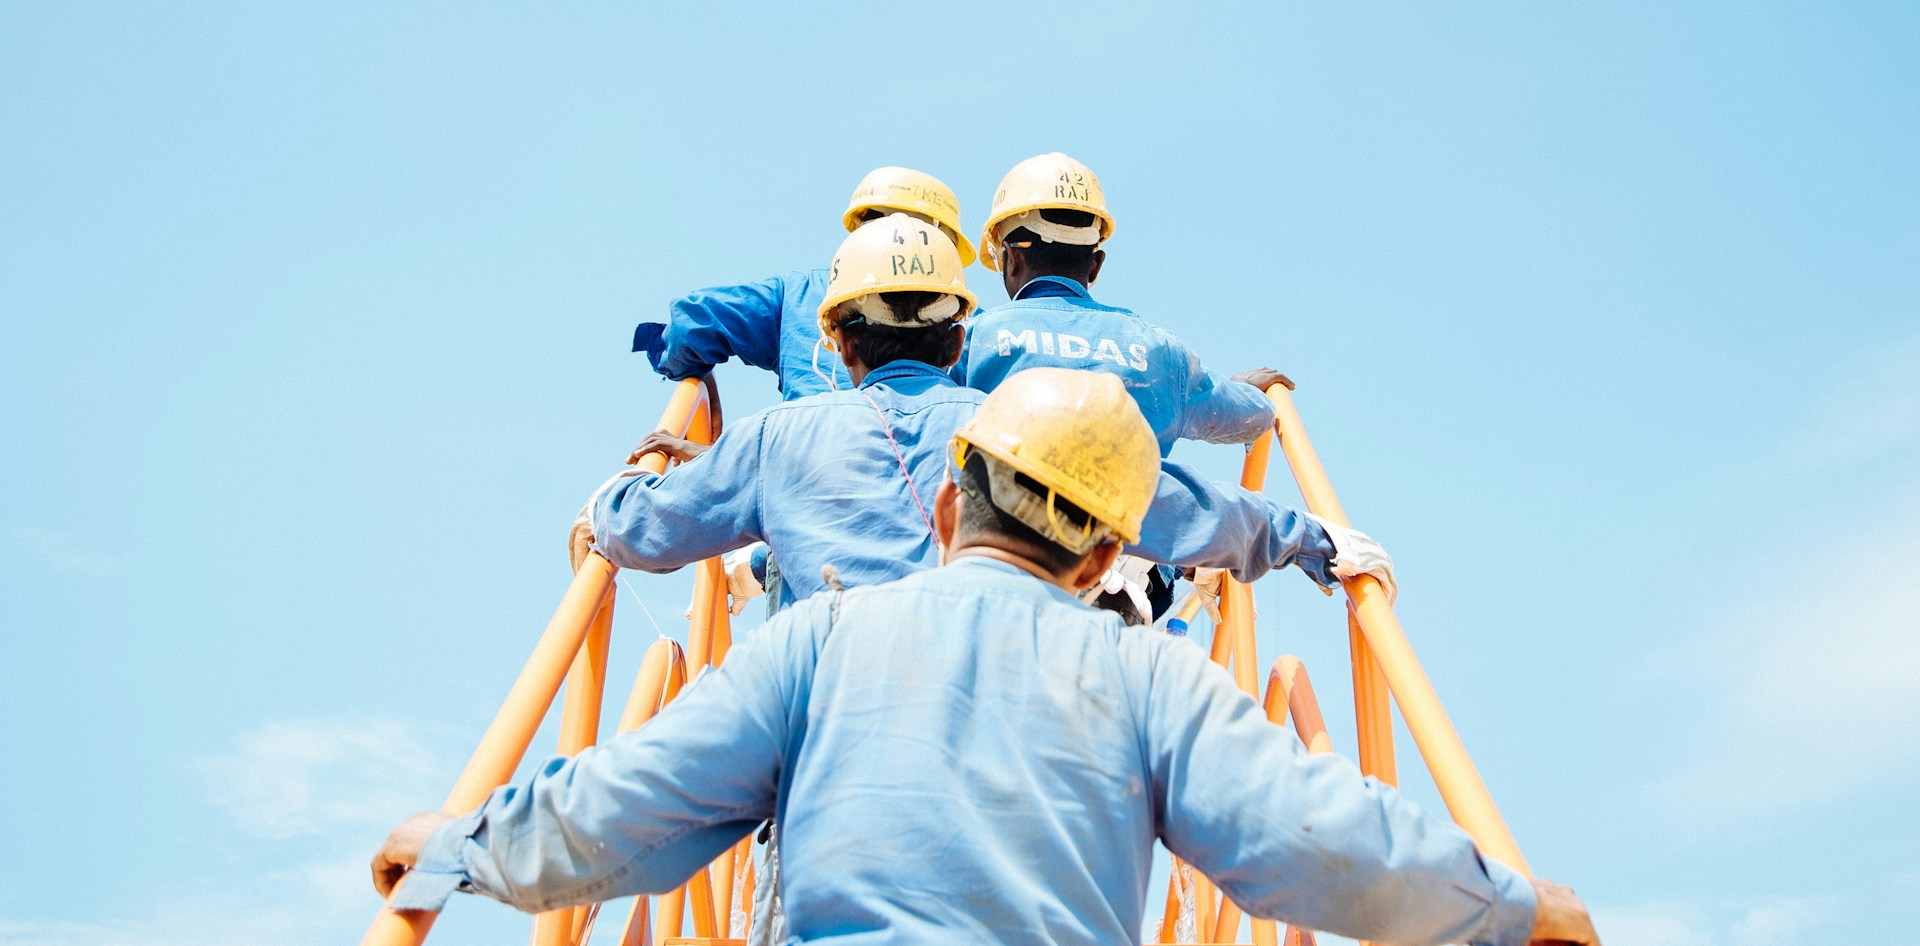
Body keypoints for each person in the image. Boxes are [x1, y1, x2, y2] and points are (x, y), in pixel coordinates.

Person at [373, 368, 1599, 946]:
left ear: (951, 504)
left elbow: (627, 809)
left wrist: (449, 854)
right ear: (1103, 555)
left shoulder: (815, 643)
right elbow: (1314, 835)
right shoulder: (1152, 676)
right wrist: (1508, 905)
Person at [570, 215, 1395, 610]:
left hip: (824, 754)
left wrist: (622, 491)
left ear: (839, 340)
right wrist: (1311, 539)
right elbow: (1176, 503)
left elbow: (643, 532)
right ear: (959, 327)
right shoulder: (1026, 431)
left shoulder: (772, 440)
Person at [961, 152, 1286, 457]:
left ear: (1012, 259)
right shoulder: (1160, 350)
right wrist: (1246, 391)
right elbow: (1250, 416)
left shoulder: (973, 341)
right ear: (1095, 264)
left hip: (1002, 515)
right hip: (1132, 517)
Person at [630, 166, 976, 401]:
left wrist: (693, 373)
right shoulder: (966, 321)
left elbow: (692, 323)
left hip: (801, 477)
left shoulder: (795, 297)